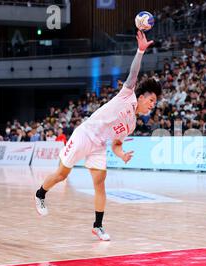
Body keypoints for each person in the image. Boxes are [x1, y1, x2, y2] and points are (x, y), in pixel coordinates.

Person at [34, 31, 162, 241]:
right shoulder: (127, 95)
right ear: (141, 97)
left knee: (100, 183)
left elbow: (116, 144)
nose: (153, 104)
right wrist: (140, 51)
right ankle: (40, 194)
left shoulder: (131, 125)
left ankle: (98, 226)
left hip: (99, 145)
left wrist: (121, 155)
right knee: (62, 174)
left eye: (155, 103)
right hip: (85, 134)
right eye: (151, 100)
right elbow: (133, 74)